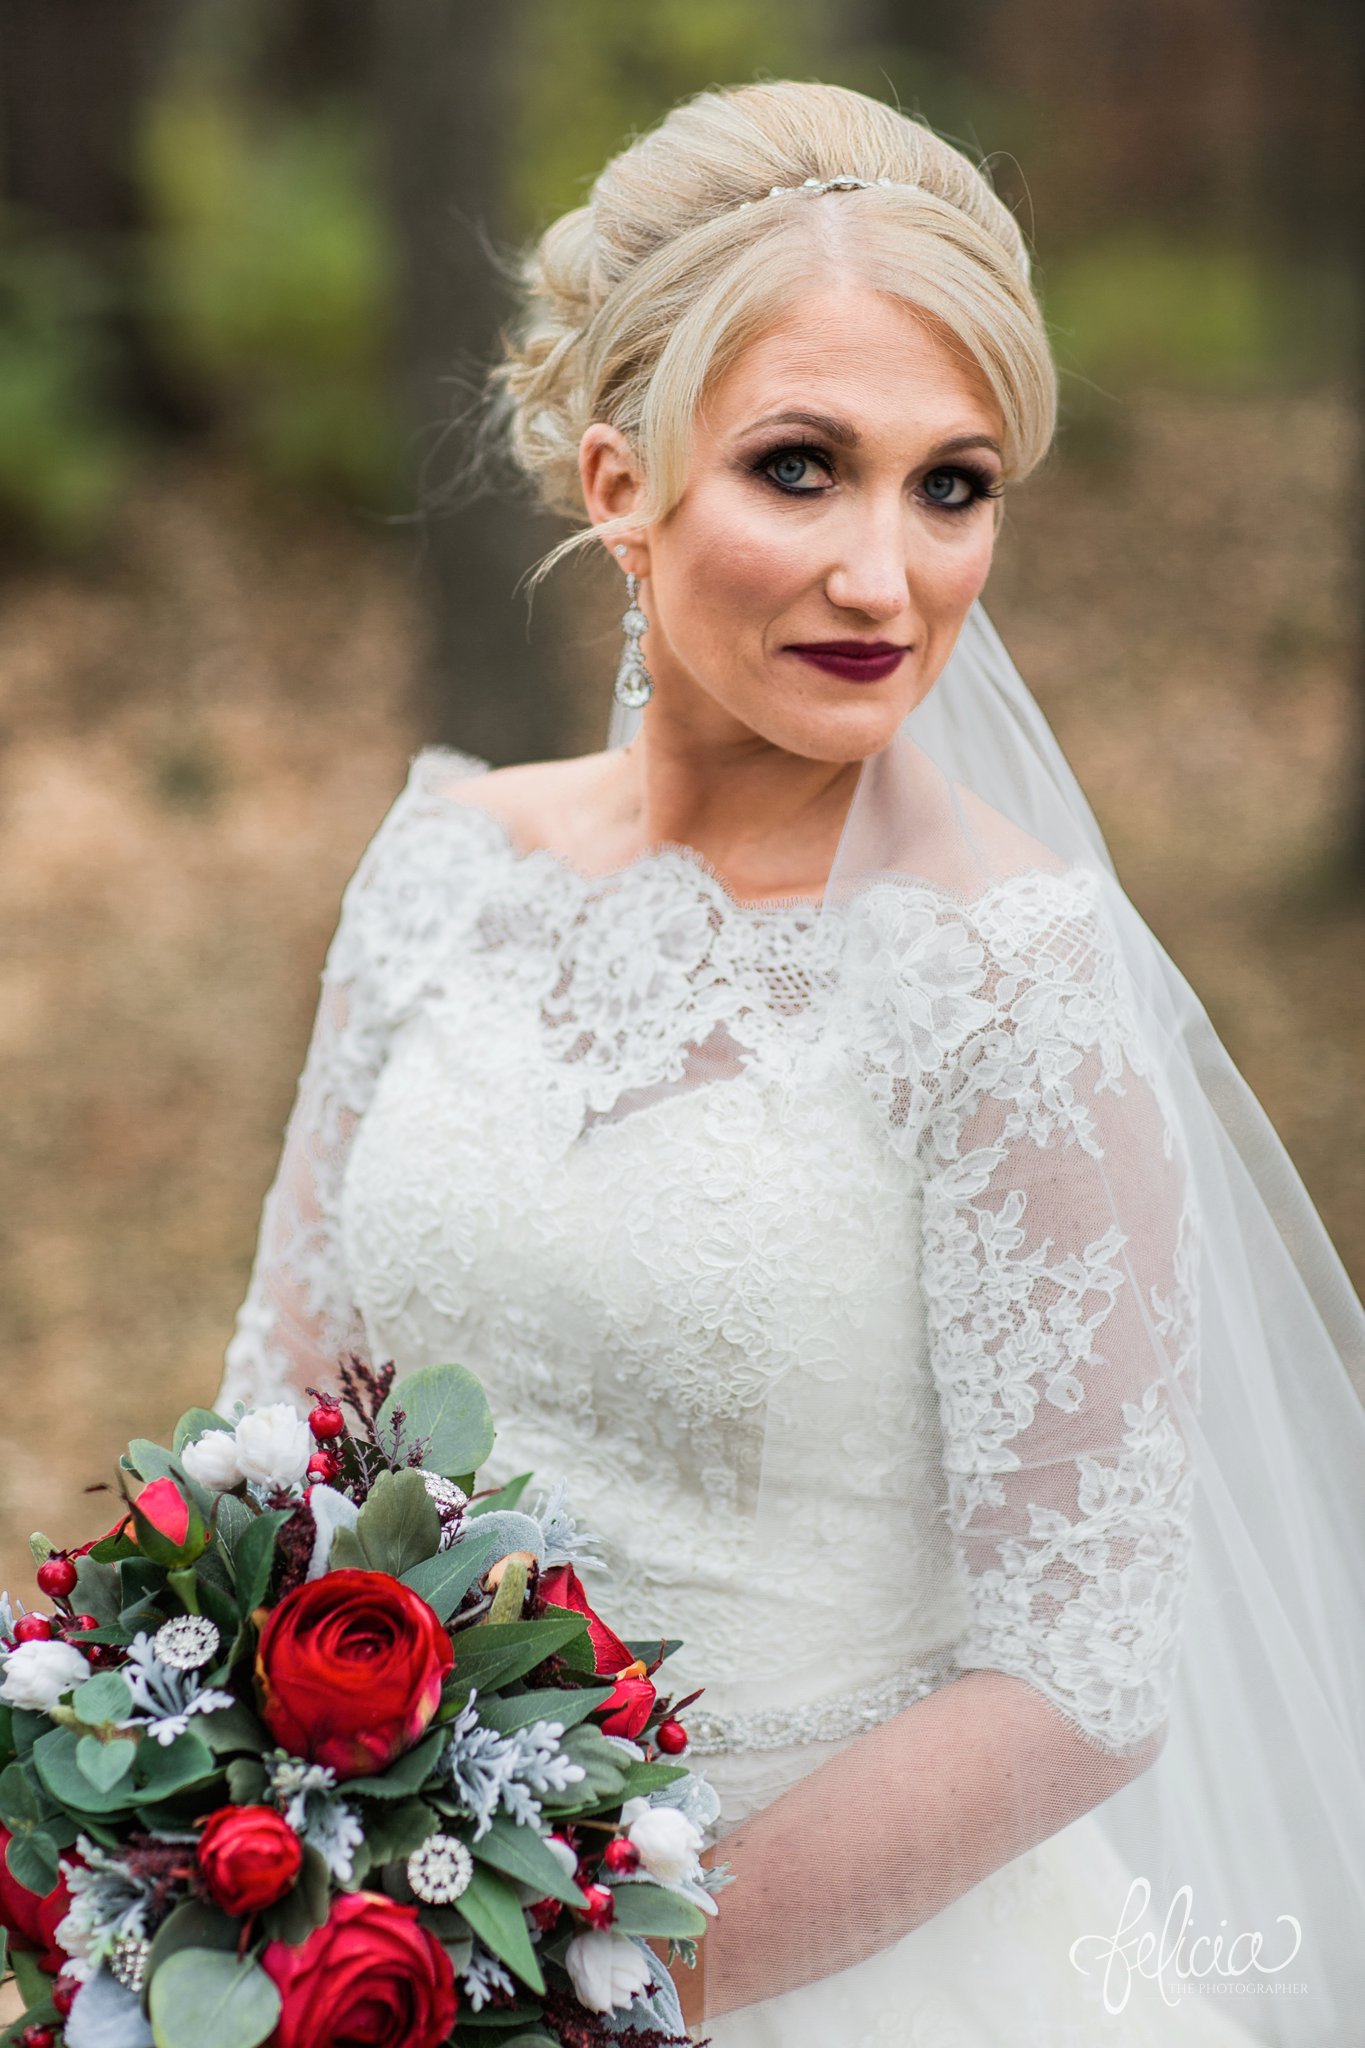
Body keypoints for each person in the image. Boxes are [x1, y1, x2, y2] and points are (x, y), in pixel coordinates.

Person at [216, 81, 1365, 2044]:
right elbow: (274, 1418)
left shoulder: (1009, 981)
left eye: (950, 483)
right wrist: (227, 1835)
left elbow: (1077, 1674)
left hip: (824, 1971)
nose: (884, 579)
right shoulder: (440, 863)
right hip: (352, 1946)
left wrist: (606, 1978)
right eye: (801, 467)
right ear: (617, 481)